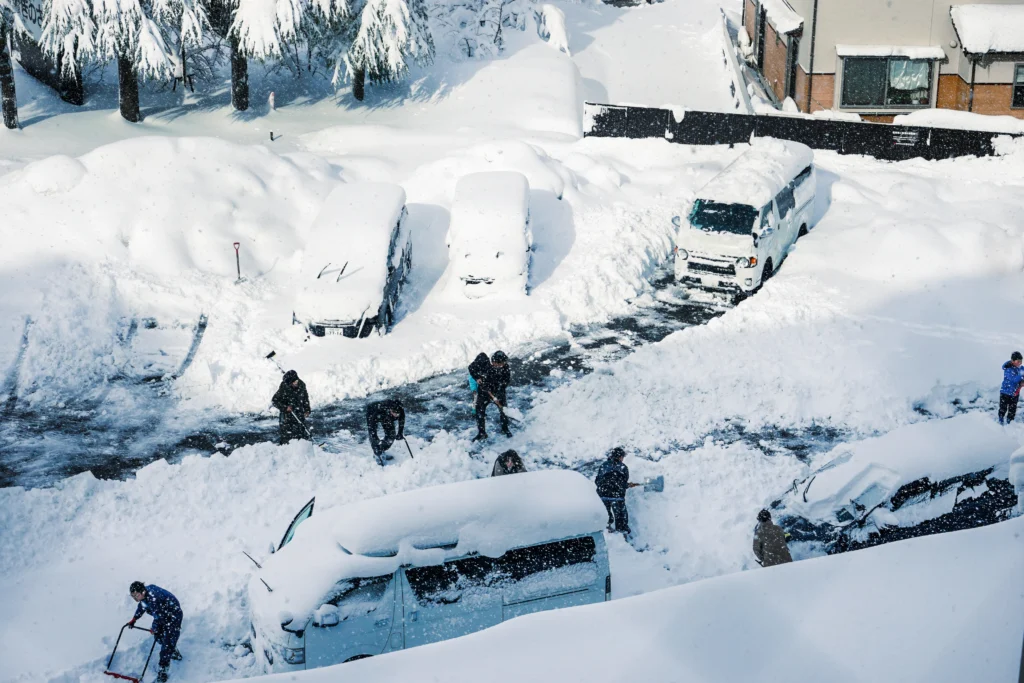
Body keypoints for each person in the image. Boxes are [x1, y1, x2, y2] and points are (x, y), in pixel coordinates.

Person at [128, 581, 183, 682]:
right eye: (133, 596)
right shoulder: (145, 595)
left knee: (167, 644)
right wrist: (134, 618)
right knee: (159, 637)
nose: (135, 598)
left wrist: (154, 628)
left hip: (173, 616)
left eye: (136, 595)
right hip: (164, 615)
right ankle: (173, 651)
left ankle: (163, 671)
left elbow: (159, 617)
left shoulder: (154, 599)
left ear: (142, 592)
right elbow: (143, 606)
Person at [595, 447, 639, 535]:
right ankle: (622, 531)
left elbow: (597, 481)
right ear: (619, 457)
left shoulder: (604, 465)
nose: (623, 459)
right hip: (617, 497)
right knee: (621, 516)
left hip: (603, 495)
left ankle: (606, 530)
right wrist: (628, 485)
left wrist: (605, 487)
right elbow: (621, 484)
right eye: (622, 457)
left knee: (606, 516)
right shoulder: (622, 467)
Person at [471, 351, 512, 441]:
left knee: (503, 411)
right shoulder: (483, 363)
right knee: (479, 412)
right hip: (483, 393)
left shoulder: (505, 368)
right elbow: (471, 368)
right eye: (500, 363)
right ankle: (482, 433)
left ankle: (505, 429)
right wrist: (477, 377)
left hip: (498, 392)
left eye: (503, 363)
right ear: (494, 362)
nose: (502, 365)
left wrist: (497, 393)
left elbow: (506, 381)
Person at [272, 370, 311, 445]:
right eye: (293, 382)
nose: (296, 383)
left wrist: (307, 410)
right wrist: (285, 407)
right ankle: (284, 449)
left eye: (296, 381)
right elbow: (274, 400)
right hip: (286, 416)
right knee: (287, 437)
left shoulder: (302, 385)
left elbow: (305, 398)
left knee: (301, 434)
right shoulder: (284, 387)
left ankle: (302, 450)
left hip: (299, 413)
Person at [998, 351, 1024, 425]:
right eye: (1018, 361)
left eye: (1021, 361)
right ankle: (1001, 419)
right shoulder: (1008, 369)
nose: (1020, 363)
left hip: (1015, 393)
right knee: (1003, 408)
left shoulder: (1020, 368)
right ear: (1012, 361)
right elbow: (1014, 380)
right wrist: (1021, 375)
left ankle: (1010, 421)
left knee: (1012, 409)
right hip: (1005, 392)